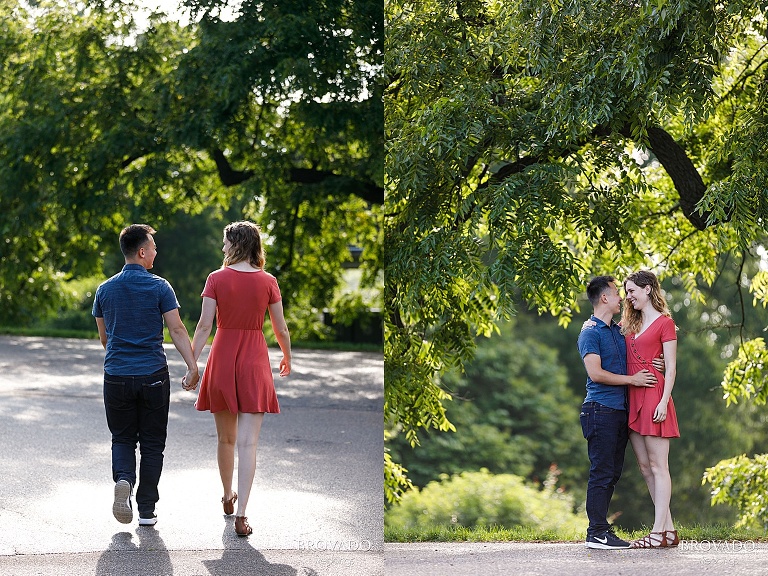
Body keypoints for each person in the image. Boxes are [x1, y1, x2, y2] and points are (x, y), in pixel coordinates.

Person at [187, 220, 291, 537]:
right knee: (249, 443)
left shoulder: (216, 279)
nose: (222, 248)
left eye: (225, 243)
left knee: (226, 439)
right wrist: (288, 355)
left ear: (234, 244)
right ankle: (242, 515)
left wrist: (192, 364)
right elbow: (280, 327)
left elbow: (204, 326)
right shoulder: (268, 281)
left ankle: (227, 494)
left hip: (222, 357)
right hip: (255, 360)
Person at [93, 224, 199, 526]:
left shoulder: (104, 289)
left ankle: (124, 480)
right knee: (152, 443)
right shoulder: (160, 286)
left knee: (122, 438)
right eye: (152, 247)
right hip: (153, 374)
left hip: (116, 375)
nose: (155, 251)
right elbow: (177, 329)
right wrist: (192, 366)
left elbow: (105, 338)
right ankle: (146, 510)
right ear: (141, 252)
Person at [577, 275, 658, 549]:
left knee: (611, 473)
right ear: (604, 298)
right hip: (599, 410)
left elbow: (638, 350)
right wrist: (633, 381)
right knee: (602, 472)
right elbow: (595, 373)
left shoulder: (616, 330)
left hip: (618, 411)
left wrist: (656, 360)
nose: (621, 297)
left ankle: (601, 531)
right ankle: (596, 533)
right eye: (616, 293)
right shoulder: (590, 331)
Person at [621, 270, 679, 549]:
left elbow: (671, 368)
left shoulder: (665, 323)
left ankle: (657, 532)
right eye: (626, 292)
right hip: (633, 396)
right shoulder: (630, 322)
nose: (628, 297)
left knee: (659, 466)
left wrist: (664, 401)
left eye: (632, 291)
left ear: (647, 289)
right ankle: (668, 530)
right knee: (645, 467)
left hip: (655, 396)